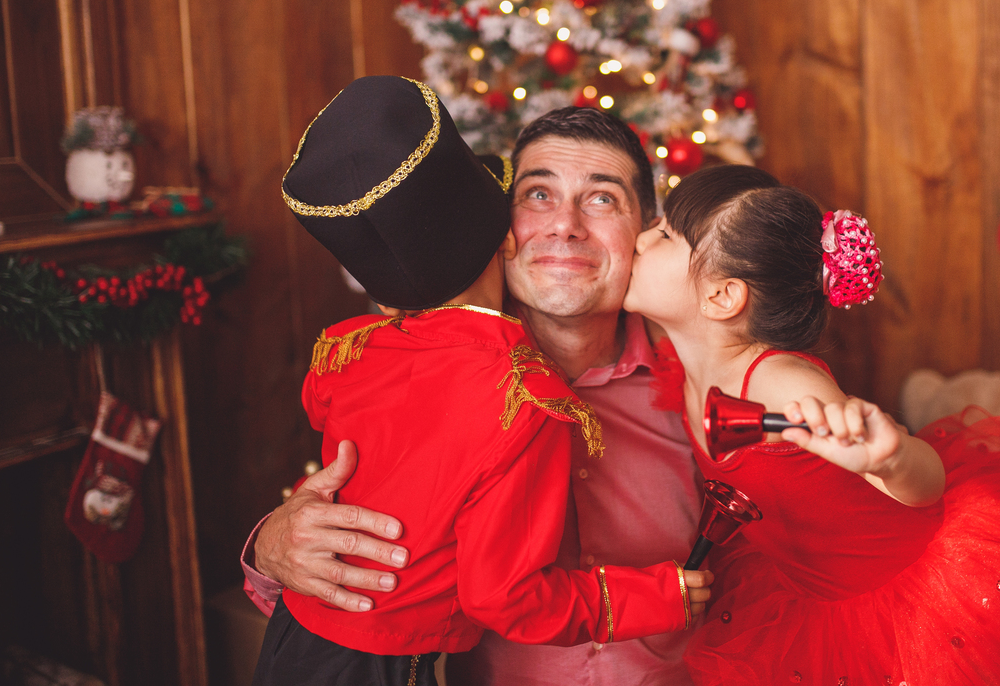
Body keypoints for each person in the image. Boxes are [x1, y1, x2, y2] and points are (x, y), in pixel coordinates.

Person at [254, 77, 710, 686]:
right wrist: (269, 548)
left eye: (602, 200)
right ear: (500, 225)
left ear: (646, 233)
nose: (566, 226)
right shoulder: (405, 365)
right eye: (539, 196)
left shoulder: (705, 381)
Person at [622, 164, 1000, 685]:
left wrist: (890, 458)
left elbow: (924, 486)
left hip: (907, 592)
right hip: (803, 588)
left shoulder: (779, 384)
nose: (641, 237)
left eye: (665, 233)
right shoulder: (678, 355)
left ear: (721, 297)